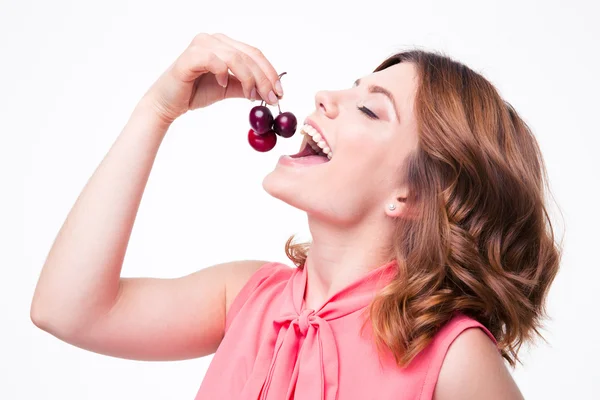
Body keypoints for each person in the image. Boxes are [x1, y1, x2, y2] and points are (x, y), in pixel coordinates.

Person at [30, 32, 561, 399]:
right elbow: (66, 309)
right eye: (350, 88)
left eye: (370, 108)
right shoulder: (248, 298)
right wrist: (158, 109)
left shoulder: (454, 355)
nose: (326, 97)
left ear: (413, 194)